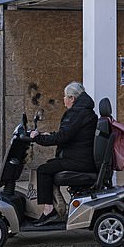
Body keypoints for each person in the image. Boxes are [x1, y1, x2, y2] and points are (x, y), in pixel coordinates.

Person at [30, 81, 98, 225]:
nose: (63, 100)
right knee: (50, 166)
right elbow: (70, 134)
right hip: (82, 158)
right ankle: (57, 206)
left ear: (72, 98)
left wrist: (38, 138)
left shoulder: (76, 113)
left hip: (79, 161)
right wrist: (48, 135)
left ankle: (49, 211)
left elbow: (63, 136)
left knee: (43, 170)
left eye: (65, 97)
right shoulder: (84, 111)